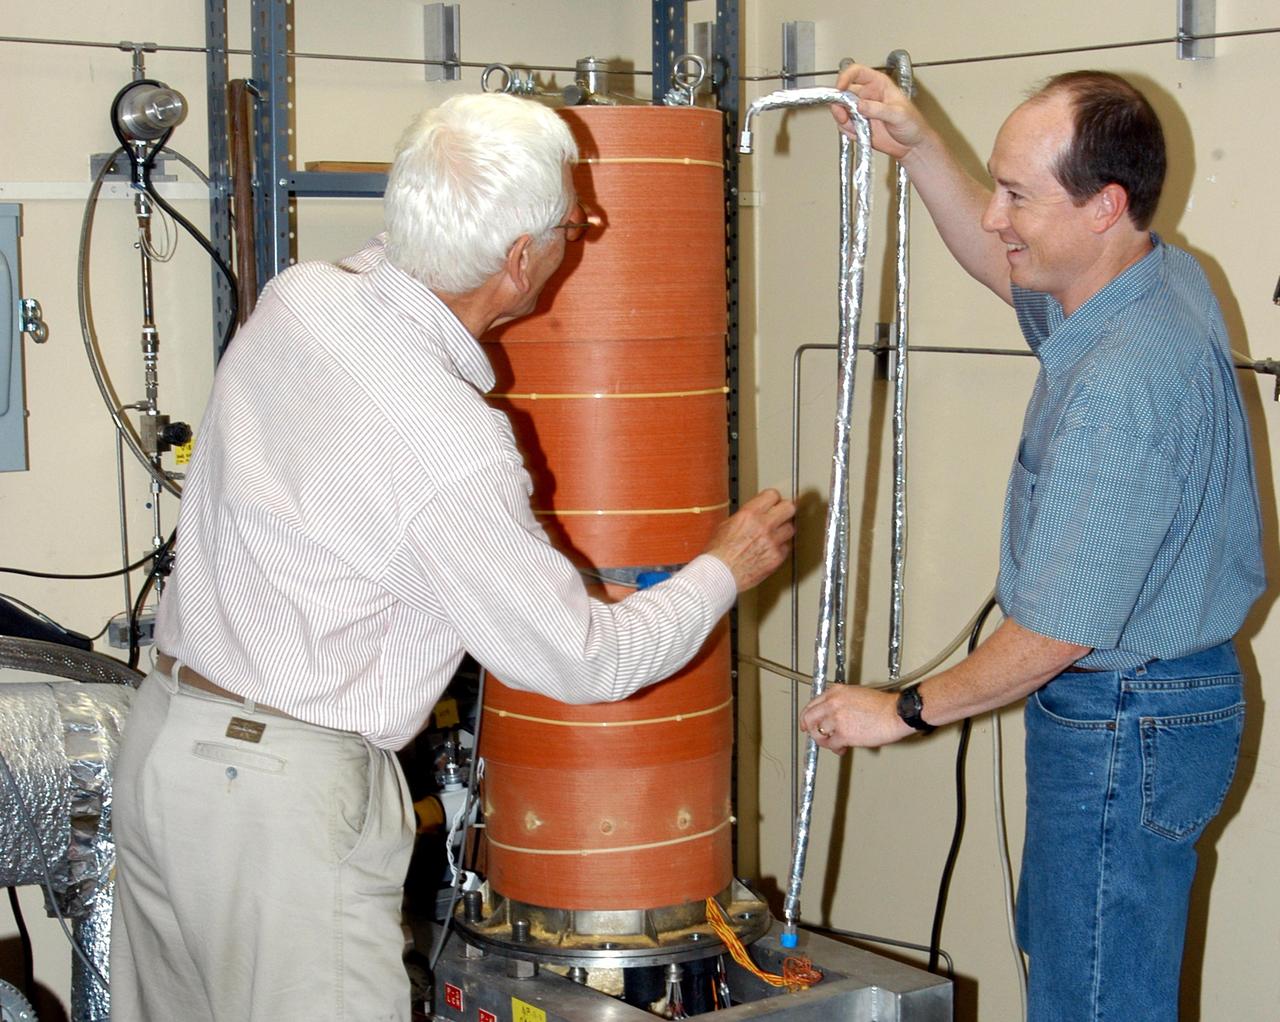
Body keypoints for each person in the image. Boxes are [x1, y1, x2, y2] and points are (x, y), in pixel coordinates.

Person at [109, 92, 795, 1022]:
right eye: (572, 224)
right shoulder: (449, 443)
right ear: (521, 261)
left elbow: (366, 529)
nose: (576, 238)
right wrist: (727, 565)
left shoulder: (300, 299)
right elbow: (586, 661)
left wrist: (519, 581)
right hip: (280, 805)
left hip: (168, 748)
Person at [803, 66, 1264, 1020]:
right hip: (1159, 713)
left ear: (1104, 206)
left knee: (1090, 1002)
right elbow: (999, 253)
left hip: (1123, 725)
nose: (1000, 214)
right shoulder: (1151, 277)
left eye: (1018, 194)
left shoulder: (1122, 386)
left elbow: (1052, 637)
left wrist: (901, 711)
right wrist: (921, 145)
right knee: (1091, 981)